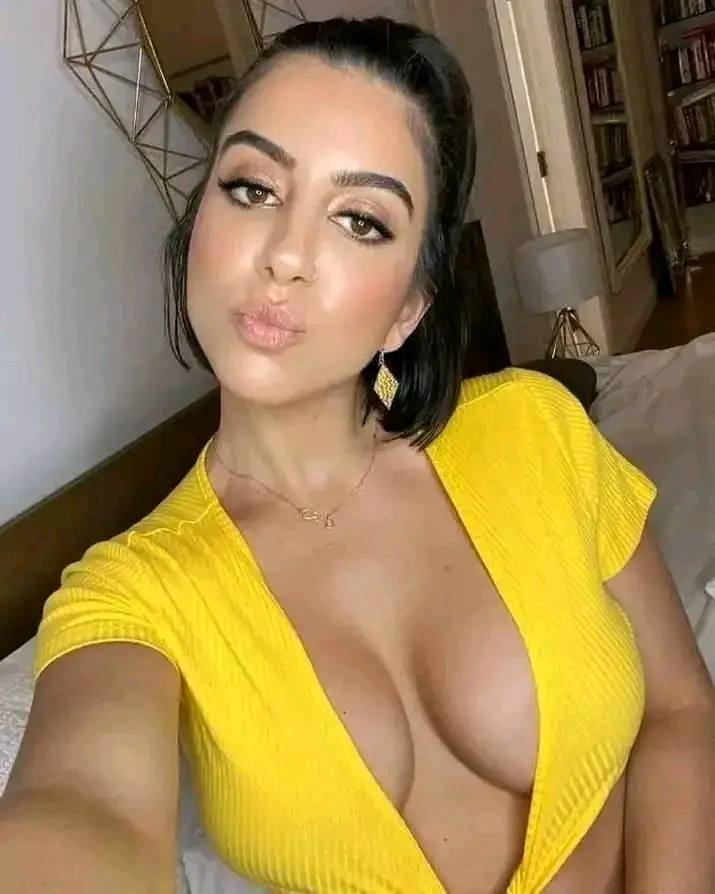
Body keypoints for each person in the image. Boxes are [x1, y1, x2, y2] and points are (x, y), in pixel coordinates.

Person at [1, 16, 712, 894]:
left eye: (360, 221)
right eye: (253, 188)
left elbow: (680, 708)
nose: (285, 256)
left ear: (408, 307)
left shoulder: (534, 427)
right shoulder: (131, 591)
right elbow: (80, 806)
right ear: (198, 226)